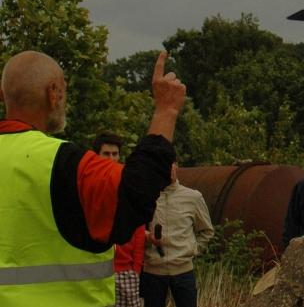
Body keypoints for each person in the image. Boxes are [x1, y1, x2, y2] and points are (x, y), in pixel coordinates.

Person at [0, 50, 184, 306]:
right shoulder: (65, 163)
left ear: (3, 96)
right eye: (63, 91)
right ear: (53, 94)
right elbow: (135, 193)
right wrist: (166, 111)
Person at [140, 160, 214, 307]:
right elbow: (134, 230)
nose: (168, 169)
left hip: (183, 272)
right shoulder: (146, 197)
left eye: (171, 163)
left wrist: (192, 250)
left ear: (176, 165)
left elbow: (206, 231)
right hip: (153, 271)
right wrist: (148, 237)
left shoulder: (193, 197)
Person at [93, 132, 147, 307]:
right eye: (106, 154)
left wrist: (136, 269)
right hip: (98, 270)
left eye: (114, 154)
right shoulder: (89, 182)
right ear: (96, 155)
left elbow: (139, 229)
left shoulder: (128, 183)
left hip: (126, 271)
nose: (111, 158)